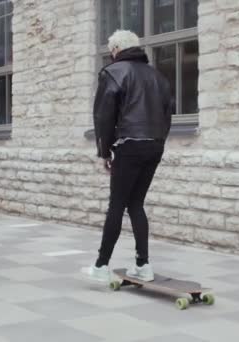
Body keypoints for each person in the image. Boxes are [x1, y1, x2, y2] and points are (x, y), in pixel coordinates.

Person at [82, 30, 174, 283]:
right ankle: (143, 265)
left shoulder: (113, 72)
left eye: (111, 51)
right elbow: (167, 114)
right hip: (154, 145)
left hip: (129, 144)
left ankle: (101, 266)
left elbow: (104, 116)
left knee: (117, 205)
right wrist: (157, 142)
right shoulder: (158, 76)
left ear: (115, 50)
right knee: (136, 204)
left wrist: (104, 152)